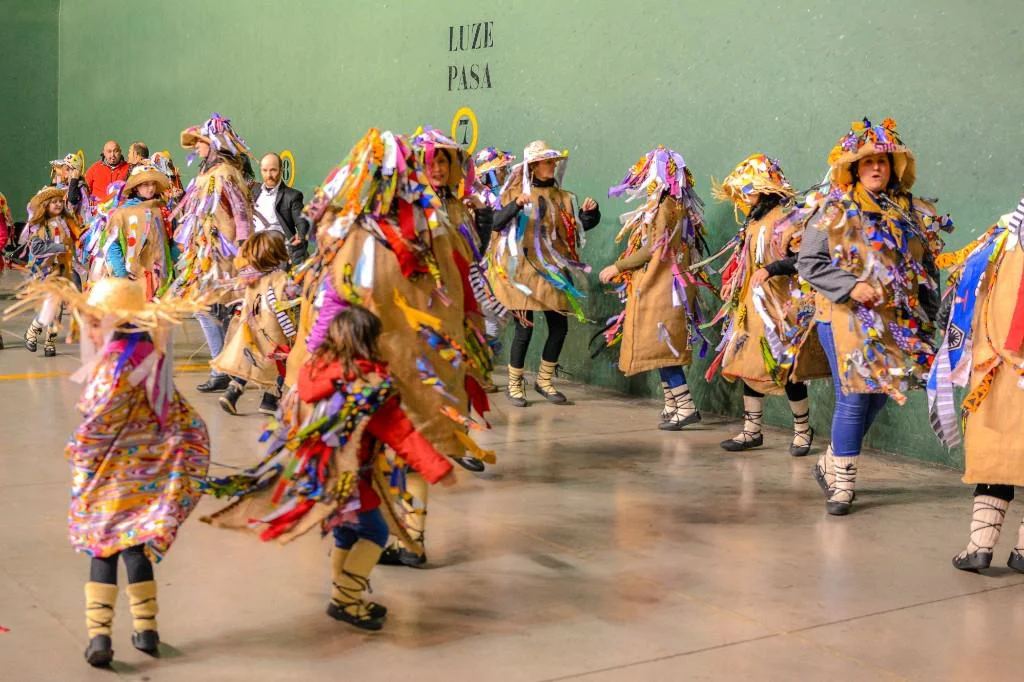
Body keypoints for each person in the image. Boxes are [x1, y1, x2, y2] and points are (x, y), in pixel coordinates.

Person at [287, 128, 494, 568]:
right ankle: (412, 538)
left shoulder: (355, 235)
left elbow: (333, 301)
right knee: (415, 442)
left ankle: (367, 549)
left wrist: (312, 358)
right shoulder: (435, 227)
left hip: (372, 364)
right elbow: (463, 293)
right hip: (427, 361)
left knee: (373, 451)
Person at [203, 305, 455, 631]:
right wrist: (438, 468)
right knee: (375, 532)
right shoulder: (367, 386)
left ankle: (343, 594)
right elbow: (402, 433)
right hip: (350, 477)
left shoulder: (314, 372)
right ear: (369, 343)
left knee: (345, 532)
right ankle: (346, 599)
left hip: (316, 474)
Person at [4, 276, 210, 667]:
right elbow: (180, 416)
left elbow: (98, 420)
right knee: (135, 547)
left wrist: (77, 450)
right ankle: (147, 630)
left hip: (109, 479)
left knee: (102, 550)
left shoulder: (112, 366)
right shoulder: (154, 360)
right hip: (145, 477)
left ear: (113, 323)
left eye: (94, 323)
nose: (90, 331)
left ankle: (99, 637)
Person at [797, 117, 951, 515]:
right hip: (844, 316)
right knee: (854, 396)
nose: (876, 167)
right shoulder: (834, 209)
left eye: (882, 161)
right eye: (868, 161)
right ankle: (842, 486)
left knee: (880, 394)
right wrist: (850, 286)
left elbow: (926, 266)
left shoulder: (909, 212)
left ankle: (830, 462)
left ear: (893, 167)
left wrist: (930, 314)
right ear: (854, 168)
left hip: (894, 322)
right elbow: (809, 261)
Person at [708, 154, 830, 454]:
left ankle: (802, 430)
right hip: (751, 309)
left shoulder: (788, 220)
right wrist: (734, 282)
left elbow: (803, 259)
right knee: (748, 364)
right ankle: (752, 430)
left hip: (781, 309)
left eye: (748, 189)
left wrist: (771, 270)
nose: (744, 196)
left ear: (764, 188)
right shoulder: (753, 222)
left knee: (786, 369)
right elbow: (747, 261)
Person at [928, 198, 1024, 573]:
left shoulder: (1004, 237)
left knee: (994, 457)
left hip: (995, 370)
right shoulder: (1003, 236)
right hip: (1005, 366)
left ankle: (979, 546)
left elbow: (970, 290)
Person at [598, 146, 710, 429]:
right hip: (673, 285)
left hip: (662, 287)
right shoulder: (679, 206)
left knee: (662, 345)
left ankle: (685, 405)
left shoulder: (662, 209)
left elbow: (651, 249)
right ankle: (673, 403)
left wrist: (619, 266)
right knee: (660, 345)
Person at [485, 140, 601, 406]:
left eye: (554, 162)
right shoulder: (514, 192)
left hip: (553, 272)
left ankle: (544, 381)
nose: (553, 166)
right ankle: (515, 385)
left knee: (559, 328)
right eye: (548, 162)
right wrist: (516, 204)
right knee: (524, 330)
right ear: (534, 166)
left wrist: (590, 215)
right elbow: (496, 223)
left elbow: (574, 231)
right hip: (522, 274)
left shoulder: (563, 197)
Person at [172, 113, 254, 393]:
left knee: (213, 309)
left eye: (200, 142)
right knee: (213, 310)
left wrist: (242, 247)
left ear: (214, 144)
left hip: (224, 254)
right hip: (207, 254)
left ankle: (224, 368)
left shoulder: (224, 174)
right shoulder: (207, 174)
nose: (196, 147)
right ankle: (225, 368)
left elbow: (240, 212)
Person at [212, 231, 298, 415]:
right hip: (274, 332)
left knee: (249, 359)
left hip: (250, 328)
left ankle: (233, 392)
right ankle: (269, 400)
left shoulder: (250, 278)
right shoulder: (279, 276)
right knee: (279, 365)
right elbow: (284, 302)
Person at [94, 158, 177, 299]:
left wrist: (177, 261)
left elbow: (168, 241)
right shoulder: (123, 213)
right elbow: (112, 244)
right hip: (134, 277)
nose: (151, 188)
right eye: (145, 184)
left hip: (159, 278)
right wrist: (122, 273)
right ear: (135, 187)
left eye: (153, 184)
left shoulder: (161, 209)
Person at [20, 187, 81, 356]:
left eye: (60, 201)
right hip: (45, 270)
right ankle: (32, 332)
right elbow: (37, 248)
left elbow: (76, 238)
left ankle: (49, 342)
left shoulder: (65, 221)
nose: (58, 204)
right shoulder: (39, 225)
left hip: (63, 269)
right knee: (51, 304)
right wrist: (60, 247)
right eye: (54, 202)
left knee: (58, 306)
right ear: (45, 205)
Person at [252, 152, 307, 264]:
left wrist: (298, 245)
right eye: (265, 170)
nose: (269, 175)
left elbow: (302, 225)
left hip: (280, 254)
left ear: (281, 170)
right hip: (255, 253)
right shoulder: (253, 192)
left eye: (273, 170)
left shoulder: (292, 196)